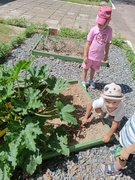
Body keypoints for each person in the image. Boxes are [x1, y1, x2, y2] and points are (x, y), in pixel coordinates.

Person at [82, 6, 112, 89]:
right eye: (98, 22)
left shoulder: (109, 30)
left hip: (98, 56)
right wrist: (85, 55)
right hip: (90, 55)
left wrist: (106, 54)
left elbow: (107, 43)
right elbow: (87, 43)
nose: (100, 25)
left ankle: (91, 80)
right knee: (85, 68)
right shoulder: (93, 30)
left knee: (93, 68)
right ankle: (83, 81)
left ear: (109, 21)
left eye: (102, 24)